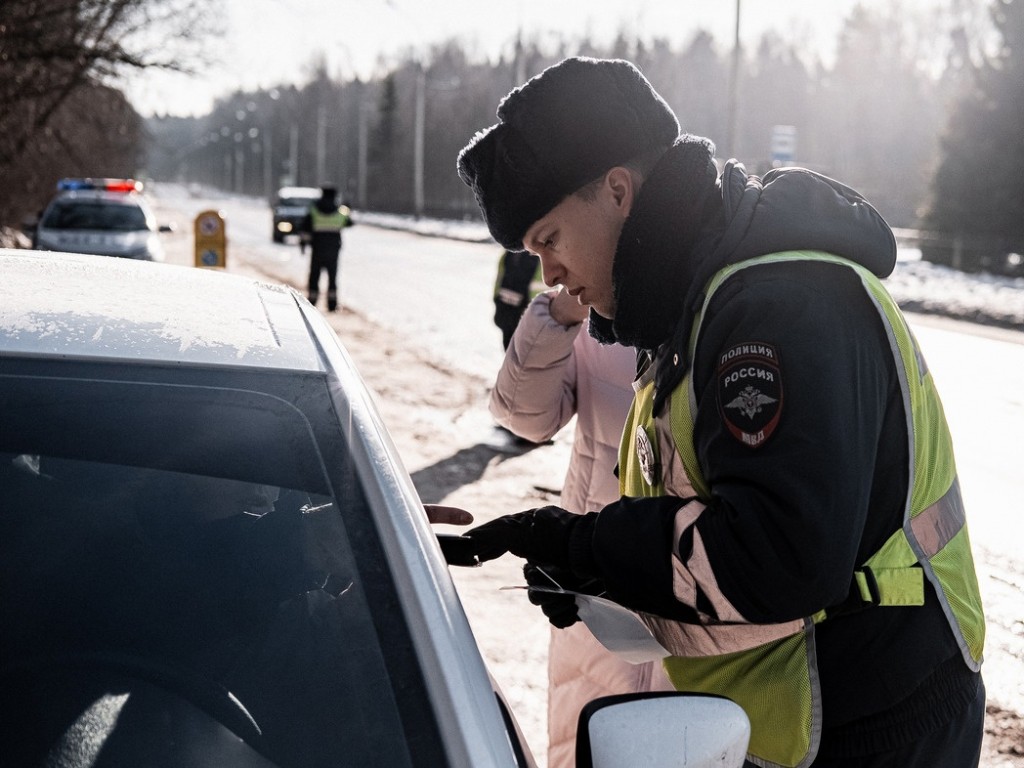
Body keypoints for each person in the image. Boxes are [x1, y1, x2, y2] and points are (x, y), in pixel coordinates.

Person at [454, 57, 986, 768]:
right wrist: (601, 581)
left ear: (616, 191)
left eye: (548, 239)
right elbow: (714, 535)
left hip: (876, 720)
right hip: (803, 713)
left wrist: (588, 547)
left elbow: (779, 556)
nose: (547, 274)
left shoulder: (776, 303)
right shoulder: (694, 304)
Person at [490, 284, 673, 768]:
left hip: (689, 597)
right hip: (593, 595)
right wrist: (560, 312)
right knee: (588, 745)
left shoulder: (733, 310)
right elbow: (523, 416)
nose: (550, 264)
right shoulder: (591, 297)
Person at [299, 185, 353, 312]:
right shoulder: (340, 211)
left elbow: (305, 228)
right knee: (332, 277)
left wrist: (303, 244)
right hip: (333, 250)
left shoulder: (314, 210)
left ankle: (312, 301)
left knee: (314, 276)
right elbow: (349, 223)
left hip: (317, 249)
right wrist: (348, 209)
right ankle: (332, 304)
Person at [493, 248, 544, 349]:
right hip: (506, 311)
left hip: (528, 313)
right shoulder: (509, 253)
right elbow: (500, 278)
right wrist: (496, 300)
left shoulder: (539, 256)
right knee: (509, 350)